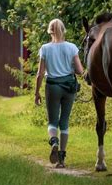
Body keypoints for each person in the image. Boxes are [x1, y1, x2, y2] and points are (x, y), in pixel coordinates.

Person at [35, 18, 84, 168]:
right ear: (63, 30)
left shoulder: (45, 48)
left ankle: (53, 142)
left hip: (52, 87)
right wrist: (71, 68)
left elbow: (40, 73)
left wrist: (36, 93)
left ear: (50, 31)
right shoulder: (71, 47)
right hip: (69, 87)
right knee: (64, 122)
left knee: (52, 121)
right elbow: (80, 71)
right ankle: (61, 159)